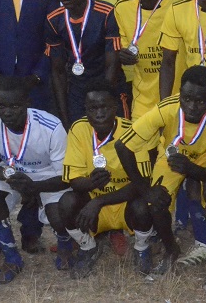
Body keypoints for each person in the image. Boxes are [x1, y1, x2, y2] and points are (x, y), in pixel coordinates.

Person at [116, 66, 206, 272]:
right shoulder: (167, 107)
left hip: (204, 160)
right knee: (155, 199)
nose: (192, 106)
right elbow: (122, 146)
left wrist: (192, 170)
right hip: (170, 158)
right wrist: (145, 189)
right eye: (186, 98)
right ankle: (171, 248)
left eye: (200, 101)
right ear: (179, 92)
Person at [0, 76, 72, 283]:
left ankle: (65, 244)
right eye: (1, 105)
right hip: (11, 172)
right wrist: (10, 176)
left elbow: (67, 177)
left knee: (58, 215)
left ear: (28, 103)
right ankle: (12, 257)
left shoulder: (51, 126)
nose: (6, 112)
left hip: (48, 174)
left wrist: (34, 188)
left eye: (14, 106)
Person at [58, 80, 155, 277]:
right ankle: (88, 247)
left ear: (115, 107)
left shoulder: (133, 131)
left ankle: (142, 247)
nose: (99, 113)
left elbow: (142, 185)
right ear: (85, 109)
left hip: (125, 205)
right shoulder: (78, 129)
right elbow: (73, 181)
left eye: (104, 107)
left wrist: (99, 201)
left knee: (144, 204)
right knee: (67, 202)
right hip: (93, 208)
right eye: (93, 108)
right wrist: (91, 183)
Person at [45, 0, 125, 128]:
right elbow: (58, 71)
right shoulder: (54, 20)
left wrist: (103, 103)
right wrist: (64, 114)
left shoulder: (106, 13)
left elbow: (113, 65)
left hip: (107, 87)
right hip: (76, 92)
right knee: (78, 139)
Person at [114, 0, 185, 119]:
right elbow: (123, 47)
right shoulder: (122, 8)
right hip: (142, 99)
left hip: (178, 96)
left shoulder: (180, 4)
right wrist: (122, 54)